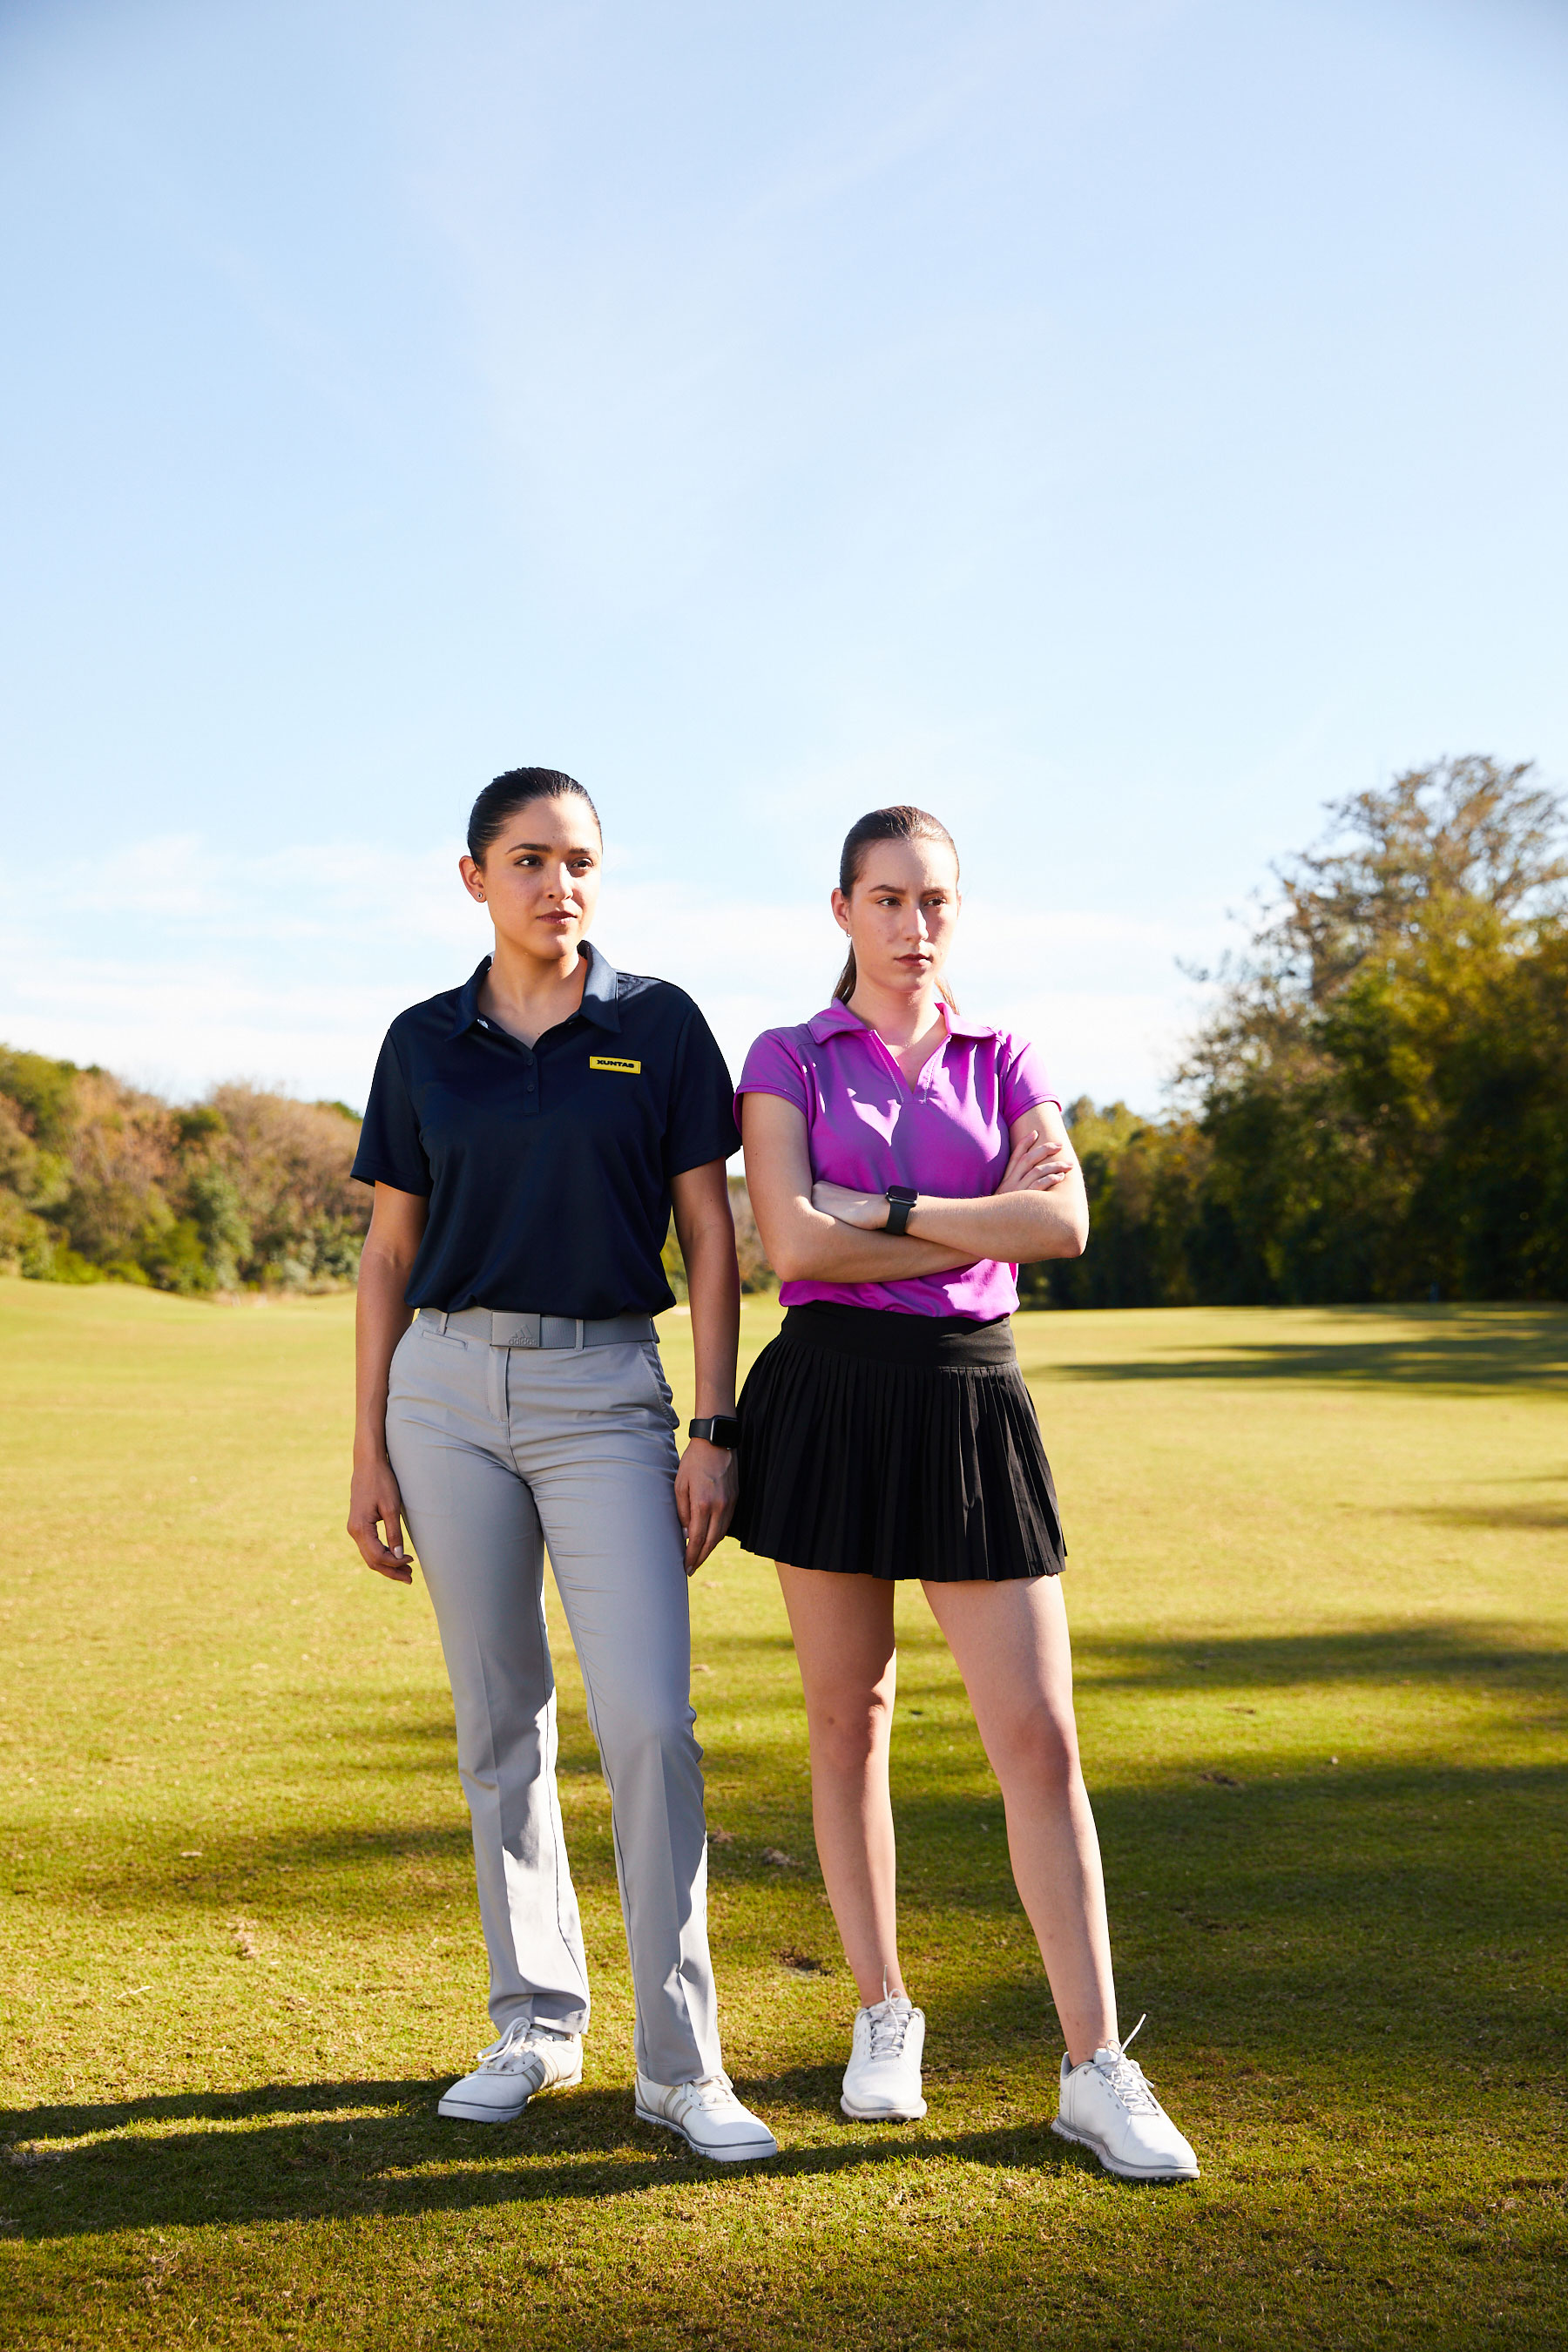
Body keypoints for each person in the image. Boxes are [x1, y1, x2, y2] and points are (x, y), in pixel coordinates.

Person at [733, 804, 1198, 2184]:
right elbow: (789, 1244)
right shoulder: (785, 1055)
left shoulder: (1006, 1057)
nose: (913, 924)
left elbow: (1064, 1224)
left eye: (934, 899)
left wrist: (878, 1211)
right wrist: (969, 1223)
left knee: (1039, 1738)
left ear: (958, 911)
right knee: (850, 1717)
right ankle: (883, 2012)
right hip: (830, 1394)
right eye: (886, 899)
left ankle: (1094, 2067)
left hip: (970, 1396)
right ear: (842, 911)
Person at [346, 767, 776, 2164]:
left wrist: (714, 1426)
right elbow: (391, 1253)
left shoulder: (659, 1024)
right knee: (499, 1721)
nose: (558, 883)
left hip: (606, 1393)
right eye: (529, 859)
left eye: (580, 859)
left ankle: (679, 2064)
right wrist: (369, 1445)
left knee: (649, 1721)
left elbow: (708, 1234)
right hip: (445, 1397)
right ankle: (534, 2022)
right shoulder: (422, 1041)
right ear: (474, 877)